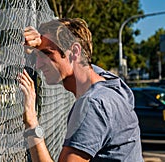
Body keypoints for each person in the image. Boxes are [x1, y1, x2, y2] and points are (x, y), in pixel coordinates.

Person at [19, 18, 143, 162]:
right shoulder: (110, 84)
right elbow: (82, 66)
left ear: (75, 52)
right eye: (37, 57)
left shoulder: (93, 104)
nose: (38, 65)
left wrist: (32, 123)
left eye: (47, 54)